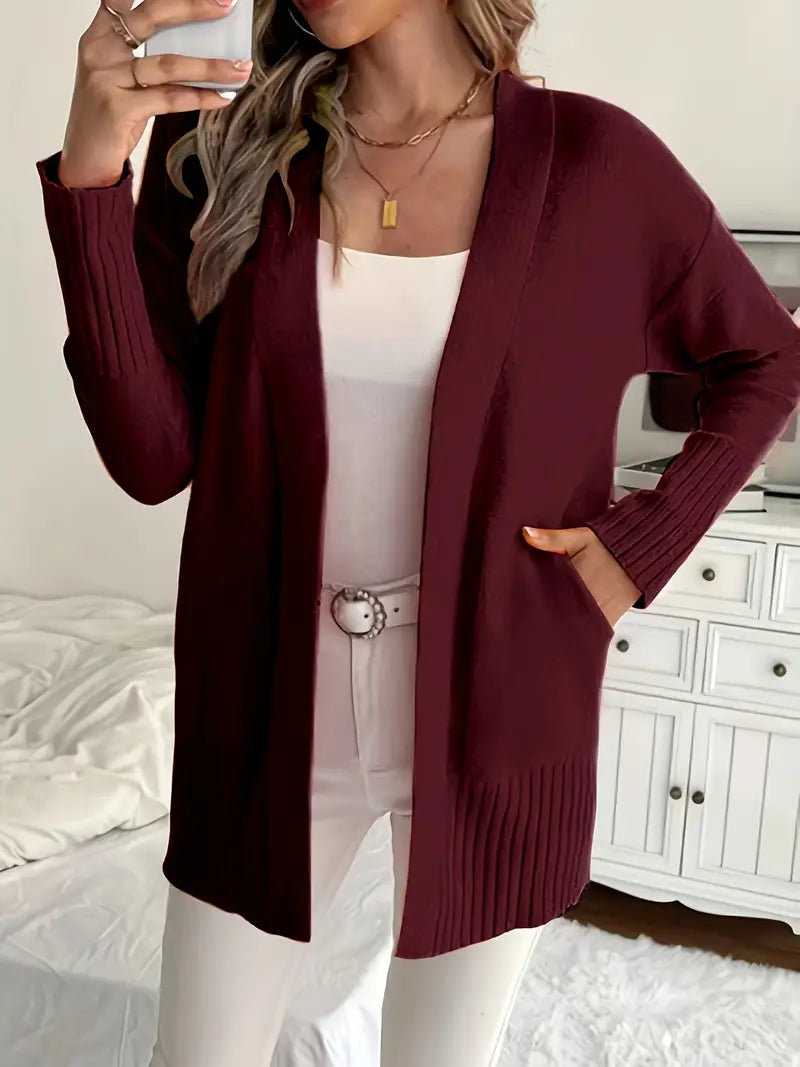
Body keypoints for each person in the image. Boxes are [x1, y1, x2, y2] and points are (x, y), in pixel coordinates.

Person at [36, 0, 800, 1064]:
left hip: (499, 707)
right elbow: (152, 458)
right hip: (263, 704)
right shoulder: (222, 151)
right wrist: (89, 180)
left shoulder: (594, 163)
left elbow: (766, 355)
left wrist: (640, 544)